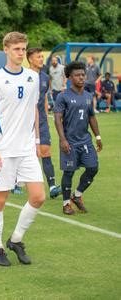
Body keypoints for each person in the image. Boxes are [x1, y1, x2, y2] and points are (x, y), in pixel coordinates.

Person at [0, 32, 45, 267]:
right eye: (17, 49)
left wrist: (37, 141)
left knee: (38, 197)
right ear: (5, 49)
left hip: (27, 149)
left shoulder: (33, 77)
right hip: (4, 150)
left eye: (23, 49)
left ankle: (16, 240)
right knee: (0, 200)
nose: (21, 53)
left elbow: (34, 110)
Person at [54, 61, 102, 215]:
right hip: (70, 142)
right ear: (69, 77)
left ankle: (78, 195)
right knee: (69, 172)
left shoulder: (88, 95)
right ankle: (66, 203)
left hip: (85, 140)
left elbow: (92, 118)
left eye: (83, 74)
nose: (81, 77)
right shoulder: (63, 96)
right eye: (77, 75)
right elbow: (57, 119)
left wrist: (98, 136)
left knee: (93, 168)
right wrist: (62, 139)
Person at [27, 48, 62, 198]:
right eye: (38, 57)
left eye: (42, 56)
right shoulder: (23, 75)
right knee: (28, 154)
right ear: (30, 59)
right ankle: (16, 181)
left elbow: (45, 97)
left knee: (45, 151)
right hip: (25, 122)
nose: (42, 59)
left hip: (41, 119)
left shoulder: (45, 77)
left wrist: (47, 117)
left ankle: (53, 186)